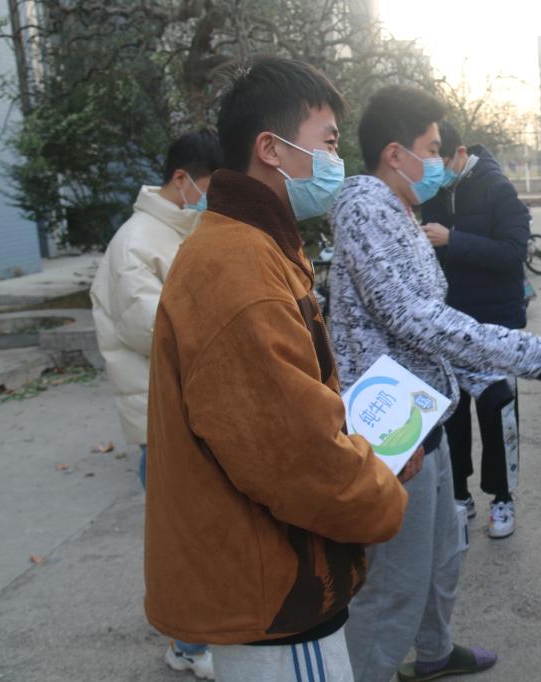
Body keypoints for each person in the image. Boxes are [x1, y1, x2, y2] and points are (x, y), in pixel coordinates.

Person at [143, 56, 410, 682]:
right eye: (328, 143)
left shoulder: (249, 245)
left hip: (267, 579)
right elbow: (295, 457)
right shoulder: (240, 269)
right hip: (279, 592)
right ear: (271, 149)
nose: (336, 161)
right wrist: (382, 492)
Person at [329, 84, 541, 682]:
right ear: (395, 153)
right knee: (395, 583)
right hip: (393, 432)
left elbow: (420, 327)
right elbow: (412, 316)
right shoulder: (366, 212)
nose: (440, 160)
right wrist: (528, 354)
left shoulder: (401, 210)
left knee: (442, 555)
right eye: (432, 148)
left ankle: (435, 652)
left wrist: (479, 374)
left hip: (423, 414)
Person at [90, 129, 222, 679]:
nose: (216, 196)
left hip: (190, 410)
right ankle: (188, 646)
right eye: (213, 184)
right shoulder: (136, 243)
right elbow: (154, 327)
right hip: (161, 420)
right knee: (187, 541)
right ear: (182, 179)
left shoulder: (181, 230)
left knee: (206, 536)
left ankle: (202, 635)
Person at [420, 121, 530, 539]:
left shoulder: (497, 189)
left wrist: (454, 239)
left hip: (494, 322)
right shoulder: (433, 193)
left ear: (461, 154)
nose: (435, 168)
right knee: (453, 412)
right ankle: (459, 492)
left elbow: (514, 252)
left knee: (497, 410)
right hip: (449, 323)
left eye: (440, 158)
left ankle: (502, 497)